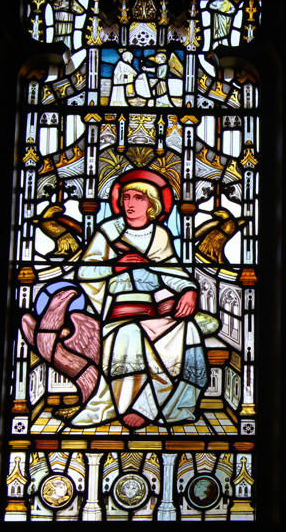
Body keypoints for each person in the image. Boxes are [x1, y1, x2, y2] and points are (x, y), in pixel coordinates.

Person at [71, 170, 208, 428]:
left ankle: (173, 407)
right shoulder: (109, 231)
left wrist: (190, 290)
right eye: (125, 197)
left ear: (152, 204)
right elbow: (84, 271)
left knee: (188, 332)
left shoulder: (160, 236)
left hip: (154, 313)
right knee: (130, 334)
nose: (130, 204)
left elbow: (172, 272)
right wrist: (116, 266)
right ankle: (130, 405)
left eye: (138, 198)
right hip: (119, 314)